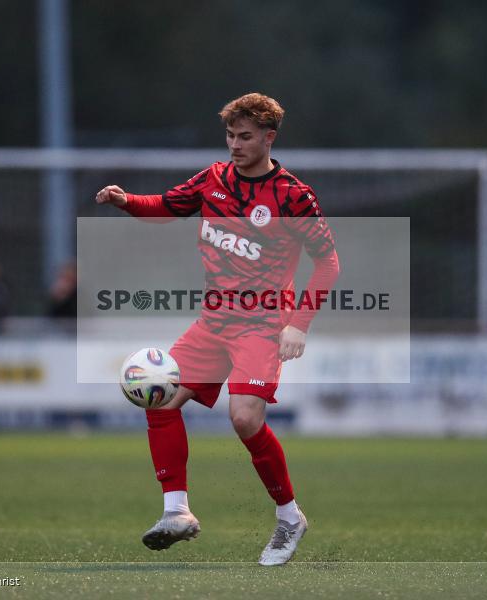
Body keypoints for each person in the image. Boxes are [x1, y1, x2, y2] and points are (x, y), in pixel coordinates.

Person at [95, 93, 340, 566]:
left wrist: (299, 325)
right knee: (160, 397)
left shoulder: (292, 195)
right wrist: (127, 201)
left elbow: (327, 263)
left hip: (263, 324)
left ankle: (290, 517)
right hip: (214, 321)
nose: (235, 145)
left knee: (245, 419)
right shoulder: (214, 179)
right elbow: (166, 205)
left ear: (269, 138)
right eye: (230, 135)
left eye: (245, 136)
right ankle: (177, 512)